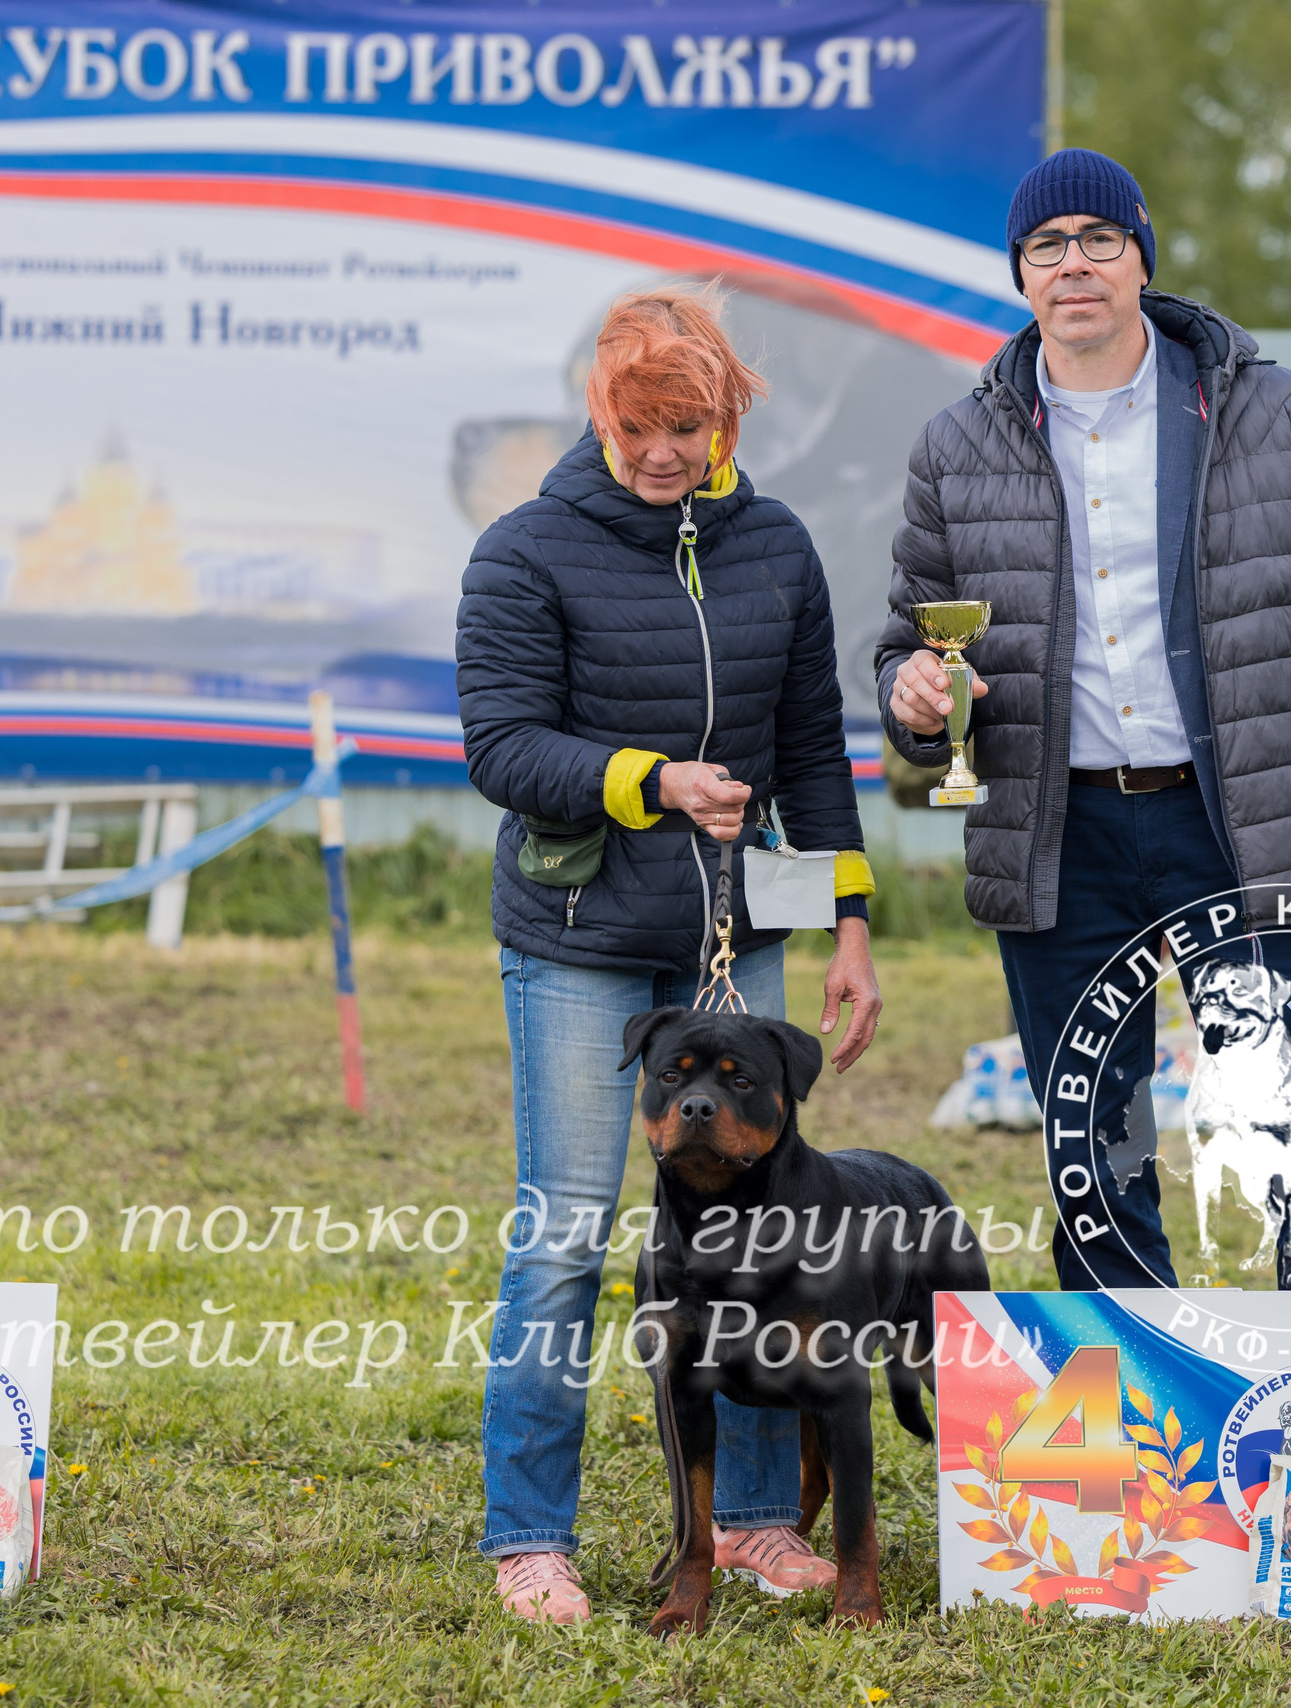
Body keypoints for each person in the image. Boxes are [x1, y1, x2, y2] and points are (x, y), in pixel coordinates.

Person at [875, 142, 1291, 1630]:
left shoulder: (1265, 412)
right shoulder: (961, 442)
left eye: (1097, 239)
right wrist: (908, 699)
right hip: (1057, 838)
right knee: (1094, 1163)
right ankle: (1128, 1522)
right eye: (1044, 248)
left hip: (1239, 838)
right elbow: (907, 649)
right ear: (1018, 279)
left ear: (1144, 255)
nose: (1072, 267)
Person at [458, 286, 883, 1624]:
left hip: (733, 942)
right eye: (636, 425)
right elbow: (503, 749)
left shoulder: (778, 545)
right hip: (580, 941)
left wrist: (852, 923)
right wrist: (651, 781)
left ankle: (756, 1523)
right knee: (569, 1239)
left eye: (686, 426)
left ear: (729, 415)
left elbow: (812, 747)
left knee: (763, 1241)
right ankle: (532, 1536)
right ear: (597, 412)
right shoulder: (524, 551)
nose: (659, 452)